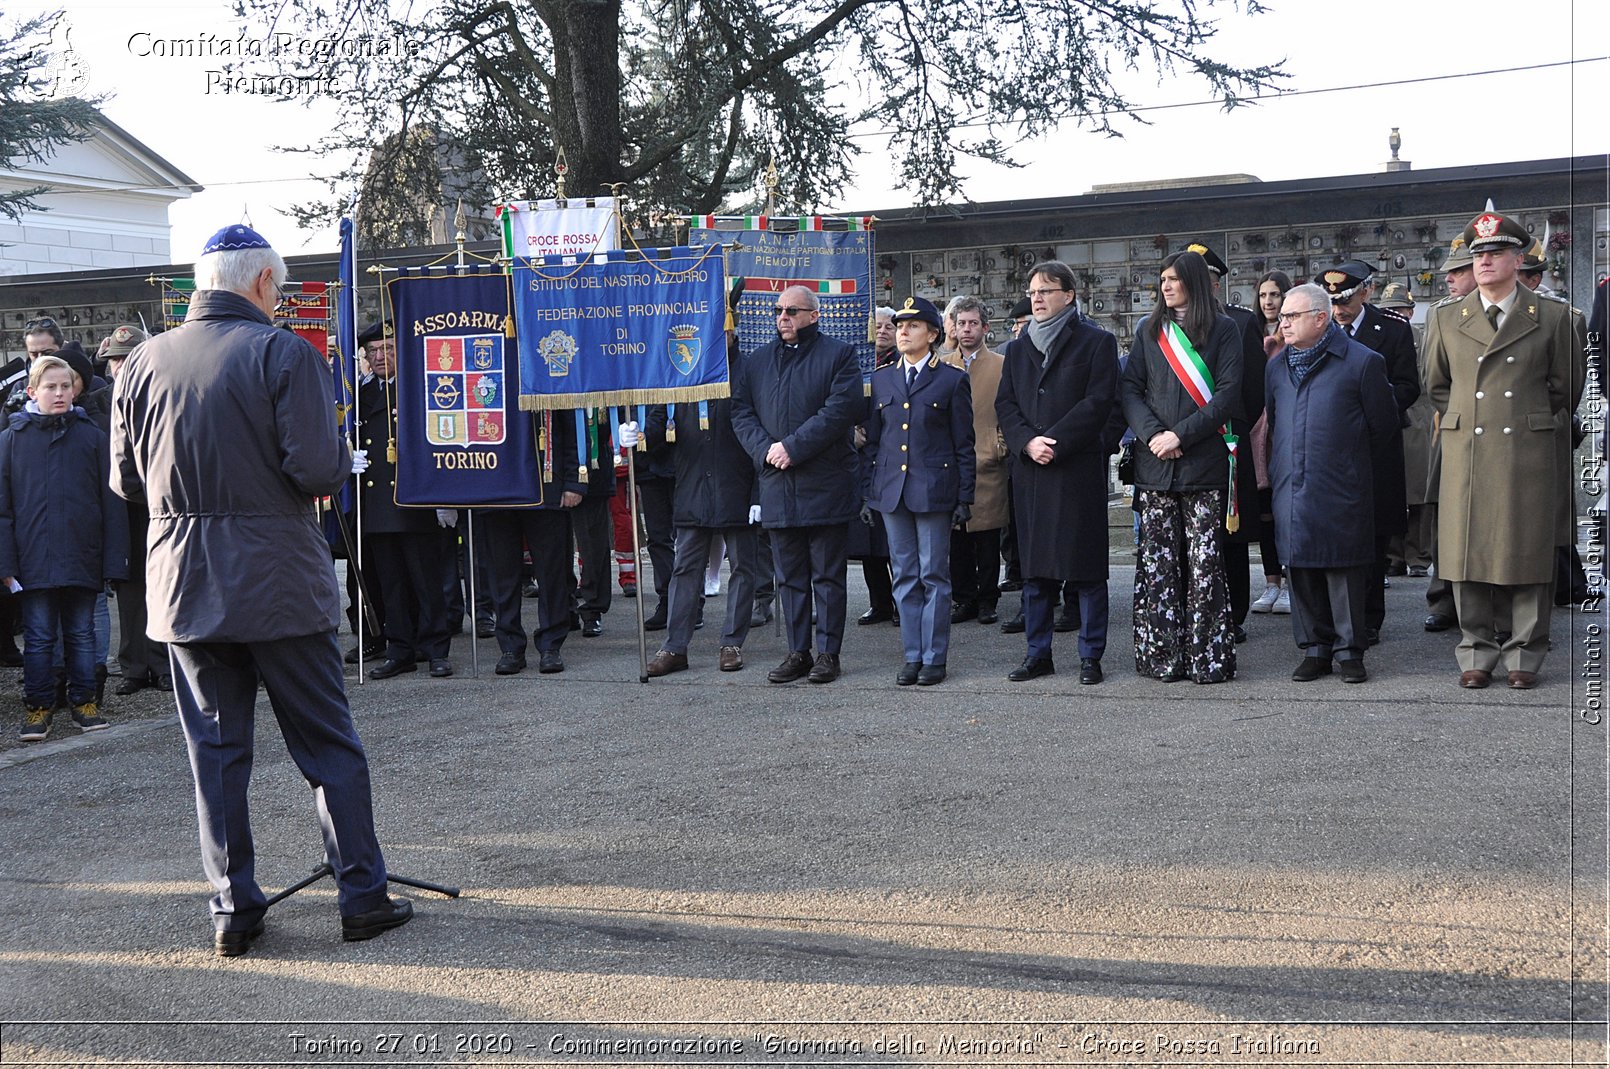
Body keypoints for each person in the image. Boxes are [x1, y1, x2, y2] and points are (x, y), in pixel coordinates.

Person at [110, 224, 412, 954]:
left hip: (184, 582)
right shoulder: (281, 352)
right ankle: (362, 895)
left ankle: (233, 910)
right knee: (328, 747)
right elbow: (315, 470)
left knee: (214, 755)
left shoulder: (141, 362)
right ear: (260, 284)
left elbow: (124, 482)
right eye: (278, 287)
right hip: (276, 578)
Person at [1423, 210, 1586, 689]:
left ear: (1519, 259)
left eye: (1495, 254)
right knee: (1464, 551)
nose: (1485, 263)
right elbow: (1436, 385)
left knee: (1529, 550)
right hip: (1468, 447)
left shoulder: (1555, 317)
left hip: (1526, 449)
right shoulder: (1447, 318)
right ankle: (1476, 650)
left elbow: (1564, 388)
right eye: (1478, 256)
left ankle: (1525, 656)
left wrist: (1522, 417)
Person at [1265, 283, 1399, 683]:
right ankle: (1315, 648)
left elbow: (1384, 428)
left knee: (1343, 570)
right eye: (1282, 316)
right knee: (1301, 565)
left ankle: (1349, 650)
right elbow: (1274, 421)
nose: (1283, 323)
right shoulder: (1276, 366)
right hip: (1292, 481)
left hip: (1342, 483)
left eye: (1292, 316)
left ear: (1320, 319)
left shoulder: (1362, 362)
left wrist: (1352, 468)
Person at [1120, 249, 1242, 684]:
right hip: (1155, 470)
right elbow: (1130, 390)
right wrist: (1154, 434)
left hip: (1202, 466)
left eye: (1173, 279)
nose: (1165, 286)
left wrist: (1181, 435)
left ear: (1193, 281)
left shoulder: (1224, 330)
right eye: (1162, 279)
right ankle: (1161, 656)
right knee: (1157, 564)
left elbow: (1228, 395)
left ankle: (1207, 659)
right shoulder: (1149, 329)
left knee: (1205, 566)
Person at [995, 261, 1119, 685]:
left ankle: (1090, 656)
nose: (1037, 298)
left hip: (1076, 469)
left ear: (1069, 295)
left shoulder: (1096, 342)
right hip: (1031, 472)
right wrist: (1028, 442)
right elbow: (1006, 405)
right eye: (1033, 291)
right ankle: (1038, 653)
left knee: (1085, 571)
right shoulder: (1016, 348)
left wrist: (1057, 442)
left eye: (1046, 290)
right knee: (1035, 573)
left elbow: (1098, 401)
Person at [731, 284, 862, 684]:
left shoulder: (839, 355)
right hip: (777, 484)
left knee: (826, 575)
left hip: (824, 484)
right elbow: (741, 412)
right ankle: (798, 651)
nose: (782, 317)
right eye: (778, 310)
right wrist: (766, 450)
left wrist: (793, 447)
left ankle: (829, 654)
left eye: (792, 311)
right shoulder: (756, 362)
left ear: (813, 315)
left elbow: (839, 411)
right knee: (788, 577)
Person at [1, 356, 128, 739]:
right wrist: (6, 563)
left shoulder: (92, 437)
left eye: (66, 386)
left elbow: (112, 503)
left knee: (81, 634)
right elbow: (3, 508)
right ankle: (39, 707)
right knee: (38, 637)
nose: (59, 393)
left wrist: (113, 560)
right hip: (33, 558)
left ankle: (84, 701)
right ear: (32, 391)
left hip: (82, 555)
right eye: (51, 387)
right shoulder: (11, 440)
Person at [630, 333, 762, 676]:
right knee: (685, 569)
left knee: (744, 569)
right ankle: (675, 647)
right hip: (692, 486)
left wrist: (760, 494)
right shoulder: (682, 370)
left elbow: (765, 431)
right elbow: (658, 427)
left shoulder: (750, 371)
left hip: (739, 484)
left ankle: (732, 642)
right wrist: (638, 435)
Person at [864, 296, 975, 685]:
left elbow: (964, 444)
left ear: (932, 334)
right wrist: (870, 491)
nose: (903, 331)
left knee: (933, 575)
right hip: (893, 490)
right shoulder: (881, 379)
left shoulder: (951, 379)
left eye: (913, 326)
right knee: (905, 575)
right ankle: (912, 655)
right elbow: (875, 443)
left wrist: (965, 497)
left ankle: (934, 657)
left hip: (934, 490)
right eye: (899, 325)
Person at [1318, 261, 1419, 645]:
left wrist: (1370, 403)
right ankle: (1332, 616)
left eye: (1345, 299)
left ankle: (1369, 618)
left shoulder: (1392, 329)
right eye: (1332, 301)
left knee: (1373, 535)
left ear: (1367, 292)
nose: (1339, 309)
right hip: (1332, 447)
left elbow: (1409, 385)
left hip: (1375, 445)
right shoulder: (1321, 328)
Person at [354, 320, 455, 679]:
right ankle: (399, 648)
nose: (381, 357)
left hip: (415, 498)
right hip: (377, 500)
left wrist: (446, 496)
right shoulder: (359, 396)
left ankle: (436, 647)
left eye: (389, 349)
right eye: (374, 351)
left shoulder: (420, 389)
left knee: (426, 580)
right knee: (390, 582)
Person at [101, 324, 171, 695]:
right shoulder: (98, 403)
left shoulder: (161, 395)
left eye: (129, 358)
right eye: (116, 360)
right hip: (119, 510)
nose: (122, 366)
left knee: (159, 588)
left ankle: (162, 664)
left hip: (156, 505)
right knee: (129, 592)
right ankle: (133, 666)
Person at [941, 296, 1009, 626]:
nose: (966, 329)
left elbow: (1011, 409)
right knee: (958, 537)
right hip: (952, 461)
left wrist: (1001, 443)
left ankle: (987, 599)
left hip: (989, 457)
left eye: (972, 323)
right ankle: (963, 597)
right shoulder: (940, 363)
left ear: (985, 327)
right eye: (961, 323)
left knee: (987, 536)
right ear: (952, 327)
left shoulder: (1000, 364)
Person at [1423, 237, 1478, 634]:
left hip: (1504, 432)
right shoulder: (1443, 315)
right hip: (1456, 427)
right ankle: (1444, 598)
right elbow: (1435, 382)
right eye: (1450, 272)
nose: (1450, 279)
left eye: (1460, 271)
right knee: (1447, 515)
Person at [1249, 270, 1293, 616]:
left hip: (1282, 431)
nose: (1268, 301)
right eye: (1263, 295)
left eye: (1275, 295)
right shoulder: (1250, 333)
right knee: (1264, 512)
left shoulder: (1293, 335)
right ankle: (1271, 582)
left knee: (1286, 511)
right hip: (1255, 434)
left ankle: (1293, 582)